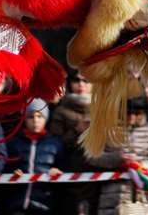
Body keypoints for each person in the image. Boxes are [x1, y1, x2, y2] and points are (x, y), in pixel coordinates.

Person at [88, 96, 148, 215]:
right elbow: (91, 157)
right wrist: (116, 158)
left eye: (137, 113)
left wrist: (140, 166)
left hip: (142, 192)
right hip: (113, 192)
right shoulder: (106, 128)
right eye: (128, 113)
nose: (132, 117)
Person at [4, 98, 66, 215]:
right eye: (31, 117)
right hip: (16, 204)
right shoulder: (12, 142)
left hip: (45, 205)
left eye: (39, 116)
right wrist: (12, 173)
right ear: (25, 120)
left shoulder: (55, 144)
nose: (35, 121)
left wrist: (58, 172)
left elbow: (64, 169)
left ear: (45, 119)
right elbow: (4, 167)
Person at [50, 70, 99, 215]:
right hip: (73, 170)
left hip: (101, 167)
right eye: (76, 80)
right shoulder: (61, 111)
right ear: (70, 84)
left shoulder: (102, 108)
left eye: (86, 80)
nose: (81, 84)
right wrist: (76, 131)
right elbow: (55, 144)